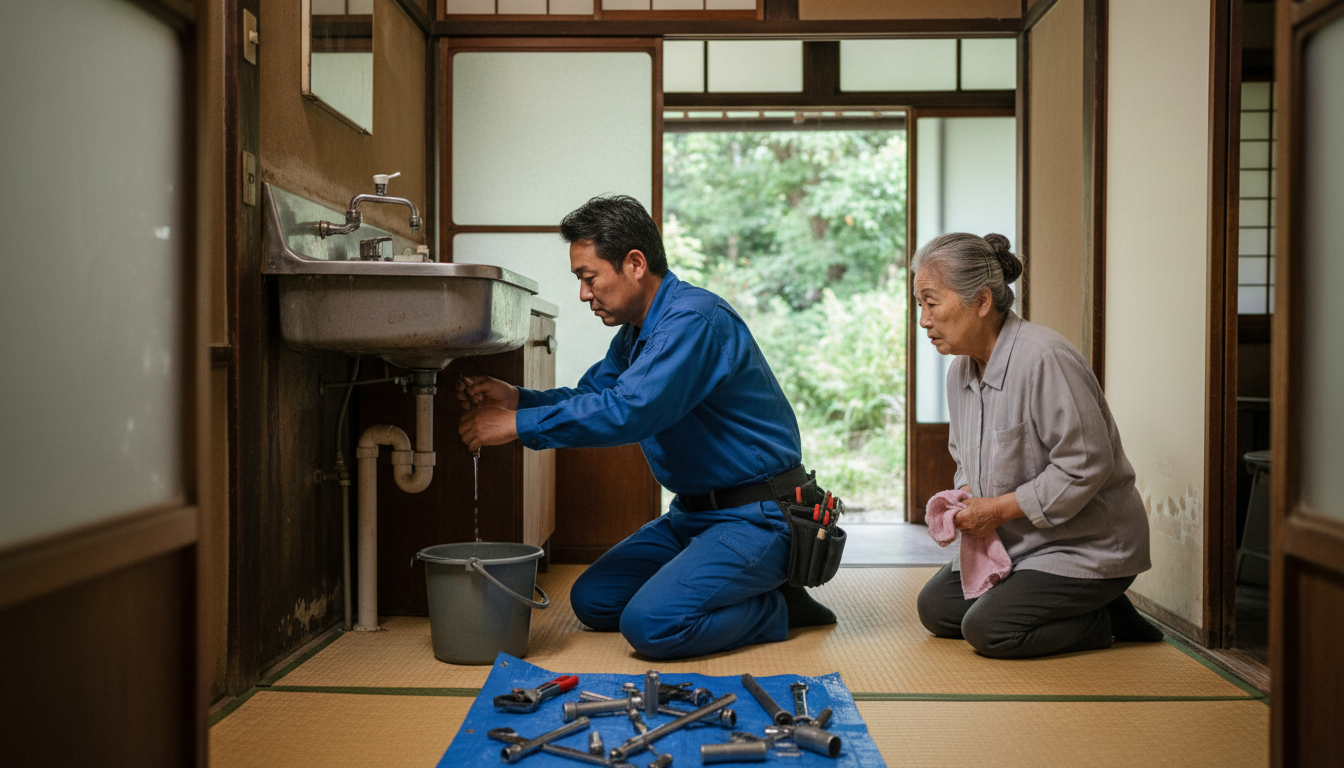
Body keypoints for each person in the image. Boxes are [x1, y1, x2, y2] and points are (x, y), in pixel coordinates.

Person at [456, 194, 836, 660]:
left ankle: (778, 608)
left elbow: (630, 411)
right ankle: (729, 585)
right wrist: (519, 398)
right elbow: (594, 396)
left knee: (651, 625)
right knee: (594, 601)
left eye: (589, 277)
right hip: (693, 517)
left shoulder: (693, 321)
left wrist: (517, 424)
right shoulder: (637, 332)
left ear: (635, 263)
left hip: (758, 518)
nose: (583, 294)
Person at [913, 232, 1164, 659]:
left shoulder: (1045, 358)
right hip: (1021, 545)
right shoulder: (960, 372)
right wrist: (968, 495)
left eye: (932, 303)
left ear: (983, 301)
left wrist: (997, 509)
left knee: (989, 631)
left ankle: (1103, 617)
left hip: (1086, 544)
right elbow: (963, 459)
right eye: (920, 305)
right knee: (936, 609)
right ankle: (1075, 604)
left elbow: (1085, 465)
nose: (923, 320)